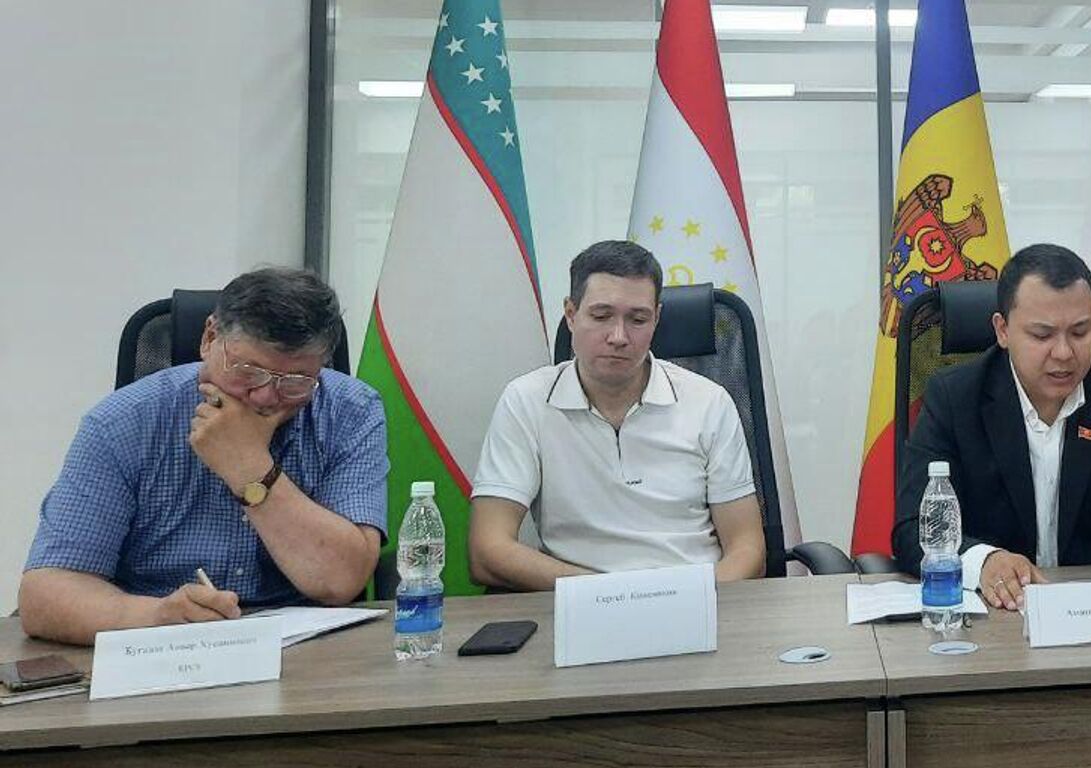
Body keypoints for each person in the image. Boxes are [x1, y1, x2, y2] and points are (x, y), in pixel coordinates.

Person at [20, 269, 387, 645]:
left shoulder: (351, 411)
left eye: (294, 382)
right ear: (210, 338)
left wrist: (249, 465)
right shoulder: (123, 422)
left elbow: (340, 581)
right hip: (161, 644)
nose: (265, 397)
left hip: (309, 652)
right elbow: (46, 594)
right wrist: (156, 617)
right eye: (248, 372)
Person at [893, 243, 1091, 611]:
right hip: (996, 617)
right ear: (1002, 330)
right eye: (1042, 335)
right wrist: (983, 561)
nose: (1064, 353)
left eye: (1080, 332)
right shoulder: (955, 397)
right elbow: (914, 526)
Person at [468, 240, 763, 590]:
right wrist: (611, 597)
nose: (619, 337)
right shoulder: (526, 401)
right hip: (578, 601)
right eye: (601, 316)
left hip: (696, 599)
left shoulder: (709, 402)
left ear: (656, 319)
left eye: (637, 319)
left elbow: (747, 550)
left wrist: (685, 600)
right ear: (571, 314)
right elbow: (488, 550)